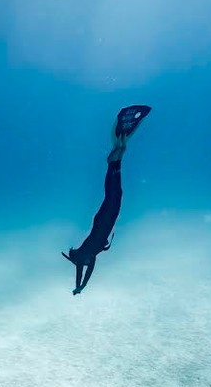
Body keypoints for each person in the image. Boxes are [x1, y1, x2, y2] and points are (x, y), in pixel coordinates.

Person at [63, 105, 151, 295]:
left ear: (76, 257)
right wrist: (81, 287)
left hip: (103, 220)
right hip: (107, 219)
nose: (86, 265)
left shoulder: (82, 259)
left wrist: (80, 285)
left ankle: (113, 161)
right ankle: (116, 162)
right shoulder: (90, 257)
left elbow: (82, 273)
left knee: (112, 195)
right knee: (117, 194)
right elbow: (88, 274)